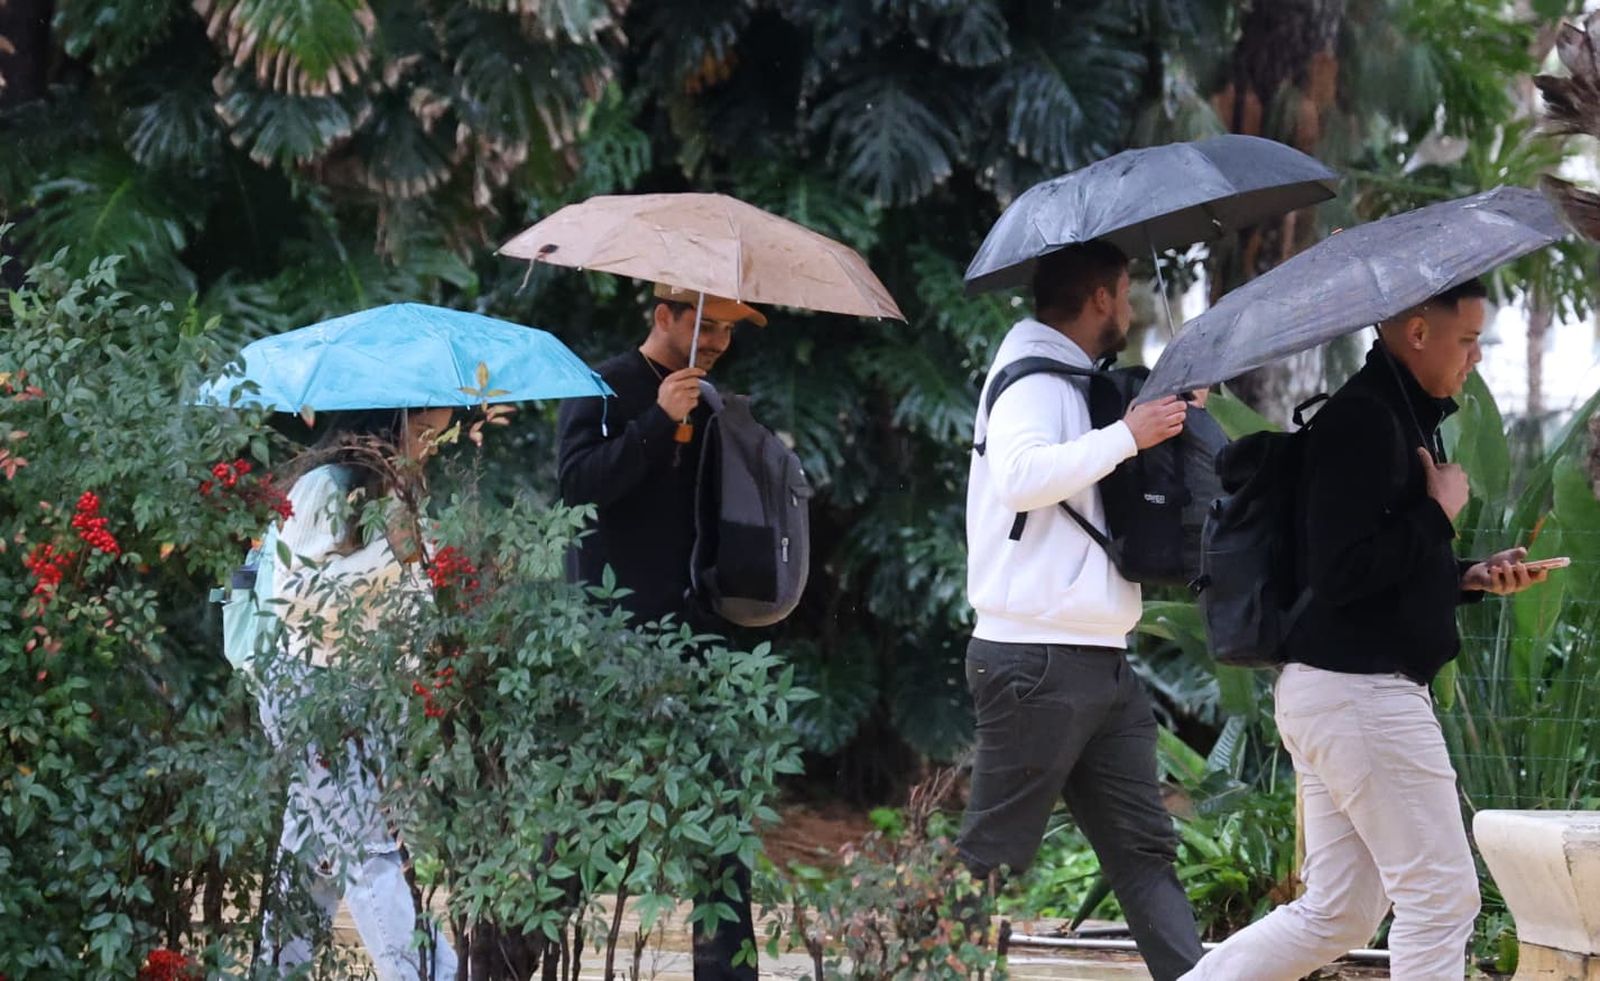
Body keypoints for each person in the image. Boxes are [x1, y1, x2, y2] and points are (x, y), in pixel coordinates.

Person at [1179, 278, 1551, 981]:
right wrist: (1438, 512)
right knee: (1441, 896)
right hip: (1362, 694)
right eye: (1466, 339)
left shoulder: (1395, 415)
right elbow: (1342, 569)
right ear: (1418, 332)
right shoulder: (1364, 421)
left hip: (1336, 690)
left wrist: (1467, 573)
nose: (1475, 357)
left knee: (1341, 910)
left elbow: (1368, 573)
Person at [959, 241, 1202, 981]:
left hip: (1098, 658)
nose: (1127, 310)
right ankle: (923, 966)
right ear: (1100, 296)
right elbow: (1022, 475)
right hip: (1036, 657)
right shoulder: (1031, 378)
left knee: (1143, 852)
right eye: (1124, 295)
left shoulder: (1071, 380)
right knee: (990, 860)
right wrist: (1130, 435)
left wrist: (1155, 431)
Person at [556, 283, 768, 980]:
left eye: (730, 331)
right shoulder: (604, 386)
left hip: (697, 638)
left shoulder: (712, 403)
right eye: (708, 327)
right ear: (663, 317)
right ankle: (504, 956)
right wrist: (654, 420)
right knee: (581, 819)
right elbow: (577, 483)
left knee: (719, 820)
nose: (717, 342)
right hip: (613, 641)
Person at [258, 407, 458, 980]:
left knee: (312, 853)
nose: (434, 443)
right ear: (385, 425)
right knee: (369, 852)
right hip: (312, 686)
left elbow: (411, 596)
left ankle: (275, 971)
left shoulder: (400, 490)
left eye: (440, 431)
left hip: (369, 690)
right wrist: (388, 556)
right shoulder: (323, 487)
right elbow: (292, 600)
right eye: (425, 429)